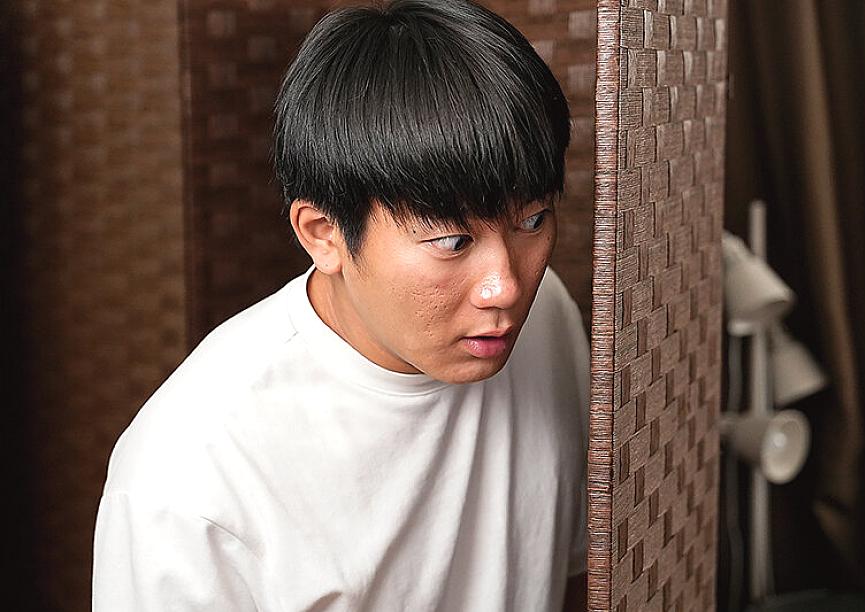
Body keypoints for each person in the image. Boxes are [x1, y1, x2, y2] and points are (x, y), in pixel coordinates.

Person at [92, 0, 589, 610]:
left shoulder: (547, 316)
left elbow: (578, 576)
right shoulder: (189, 476)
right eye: (452, 241)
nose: (505, 287)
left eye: (532, 221)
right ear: (324, 234)